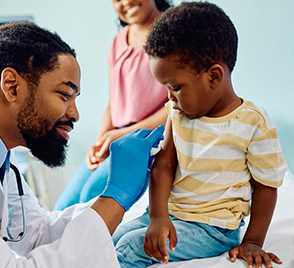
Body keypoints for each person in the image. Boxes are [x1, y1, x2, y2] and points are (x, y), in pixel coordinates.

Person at [0, 20, 165, 267]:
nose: (75, 114)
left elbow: (37, 233)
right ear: (12, 86)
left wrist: (122, 203)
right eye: (64, 95)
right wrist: (116, 196)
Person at [112, 2, 288, 268]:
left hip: (212, 229)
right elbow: (164, 165)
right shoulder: (177, 113)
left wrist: (253, 241)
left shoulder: (253, 123)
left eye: (176, 87)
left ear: (214, 76)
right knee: (111, 237)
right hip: (168, 214)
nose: (169, 97)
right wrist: (159, 217)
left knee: (129, 248)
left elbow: (266, 186)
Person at [54, 0, 172, 211]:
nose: (126, 2)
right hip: (117, 134)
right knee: (63, 206)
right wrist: (101, 141)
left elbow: (175, 107)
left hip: (151, 136)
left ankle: (87, 244)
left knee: (91, 196)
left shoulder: (174, 34)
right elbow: (114, 101)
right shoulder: (120, 40)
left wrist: (118, 136)